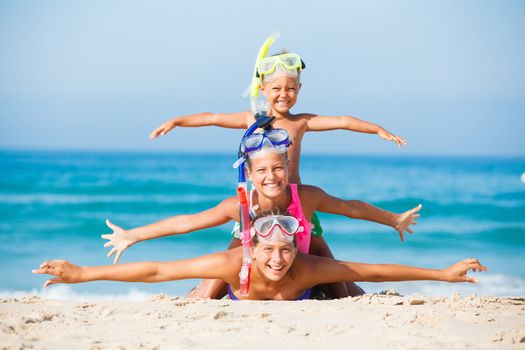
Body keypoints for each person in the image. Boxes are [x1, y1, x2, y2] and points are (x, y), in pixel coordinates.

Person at [148, 43, 406, 294]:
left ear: (299, 89)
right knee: (234, 255)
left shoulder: (300, 122)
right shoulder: (252, 120)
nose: (284, 94)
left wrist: (377, 130)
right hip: (258, 203)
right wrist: (177, 121)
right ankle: (204, 293)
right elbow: (212, 117)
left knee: (325, 259)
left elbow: (342, 121)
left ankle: (348, 296)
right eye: (277, 88)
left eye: (291, 88)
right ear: (262, 88)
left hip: (297, 204)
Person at [101, 128, 421, 298]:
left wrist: (393, 220)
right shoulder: (239, 203)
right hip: (255, 275)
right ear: (250, 176)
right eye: (263, 171)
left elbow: (351, 208)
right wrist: (134, 234)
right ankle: (199, 294)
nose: (271, 177)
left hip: (299, 268)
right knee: (212, 280)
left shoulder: (306, 197)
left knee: (350, 290)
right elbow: (188, 222)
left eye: (278, 168)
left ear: (288, 168)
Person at [34, 209, 487, 301]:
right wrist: (82, 273)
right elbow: (159, 270)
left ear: (296, 246)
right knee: (196, 289)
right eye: (268, 249)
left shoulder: (307, 266)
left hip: (316, 296)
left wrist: (444, 275)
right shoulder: (237, 263)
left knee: (350, 285)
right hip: (233, 292)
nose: (276, 259)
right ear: (253, 247)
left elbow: (377, 267)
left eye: (284, 249)